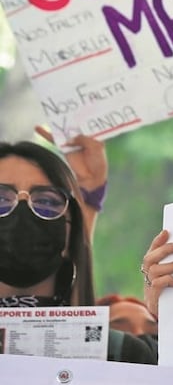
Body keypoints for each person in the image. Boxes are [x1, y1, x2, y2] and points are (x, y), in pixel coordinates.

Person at [0, 141, 156, 363]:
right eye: (1, 199)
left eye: (45, 201)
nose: (23, 213)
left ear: (70, 229)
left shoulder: (121, 353)